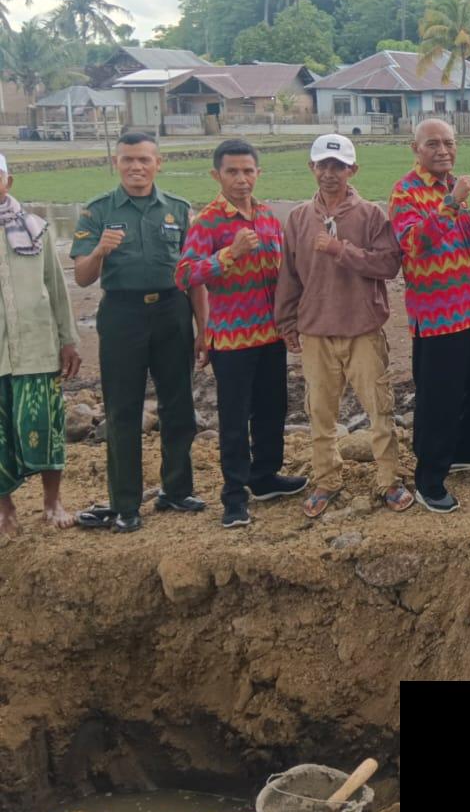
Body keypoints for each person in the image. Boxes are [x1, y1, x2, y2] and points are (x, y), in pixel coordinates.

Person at [70, 131, 207, 533]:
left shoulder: (179, 210)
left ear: (158, 163)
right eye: (128, 159)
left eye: (144, 160)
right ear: (117, 163)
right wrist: (100, 251)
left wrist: (204, 328)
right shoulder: (97, 212)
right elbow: (80, 277)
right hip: (122, 314)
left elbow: (195, 275)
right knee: (123, 411)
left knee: (178, 405)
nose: (136, 167)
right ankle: (125, 504)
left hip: (172, 310)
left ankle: (177, 490)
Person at [277, 134, 411, 518]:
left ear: (353, 170)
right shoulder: (300, 218)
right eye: (323, 165)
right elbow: (289, 275)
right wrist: (287, 321)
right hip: (316, 330)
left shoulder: (371, 215)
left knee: (379, 409)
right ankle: (326, 479)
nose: (330, 174)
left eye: (338, 166)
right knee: (320, 411)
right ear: (312, 168)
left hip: (362, 328)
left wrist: (342, 251)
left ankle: (388, 479)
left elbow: (389, 265)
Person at [176, 139, 306, 529]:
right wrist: (228, 254)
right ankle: (234, 495)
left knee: (272, 409)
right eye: (232, 171)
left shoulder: (268, 216)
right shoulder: (208, 222)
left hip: (269, 336)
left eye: (248, 171)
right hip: (231, 340)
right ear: (217, 175)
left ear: (258, 174)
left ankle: (264, 477)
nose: (241, 179)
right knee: (234, 419)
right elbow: (184, 274)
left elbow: (284, 272)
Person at [391, 118, 470, 513]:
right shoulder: (406, 193)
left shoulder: (451, 185)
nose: (442, 150)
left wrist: (453, 197)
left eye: (449, 143)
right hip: (438, 317)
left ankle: (464, 451)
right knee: (439, 399)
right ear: (415, 148)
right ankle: (429, 480)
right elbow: (416, 243)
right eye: (432, 143)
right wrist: (450, 202)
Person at [0, 154, 82, 539]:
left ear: (8, 181)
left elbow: (57, 287)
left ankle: (52, 503)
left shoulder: (36, 228)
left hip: (36, 347)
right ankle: (6, 512)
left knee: (46, 426)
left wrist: (68, 339)